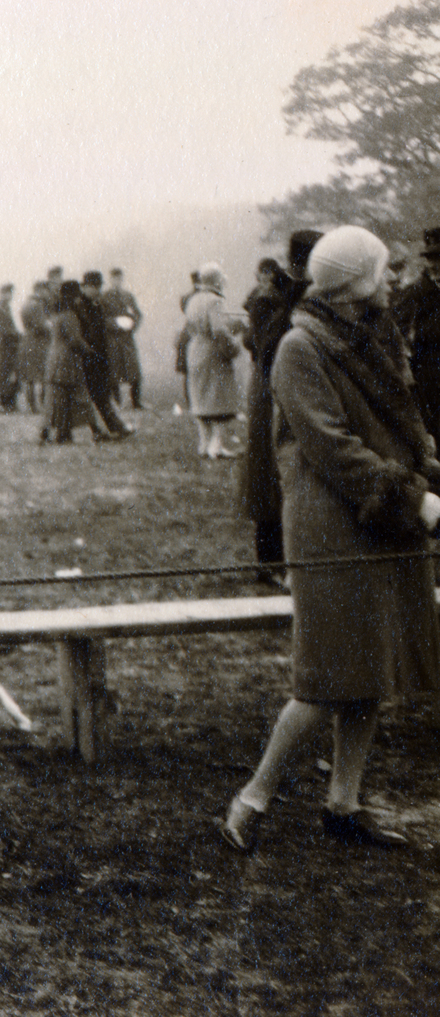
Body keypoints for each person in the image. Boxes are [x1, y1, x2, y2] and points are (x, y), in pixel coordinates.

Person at [221, 225, 439, 853]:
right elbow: (333, 449)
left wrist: (427, 478)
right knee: (324, 680)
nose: (391, 279)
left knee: (371, 673)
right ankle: (252, 800)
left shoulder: (372, 334)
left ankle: (342, 805)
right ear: (357, 281)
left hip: (380, 518)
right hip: (334, 526)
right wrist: (418, 501)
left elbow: (401, 437)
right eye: (380, 270)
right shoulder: (300, 346)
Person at [240, 233, 320, 587]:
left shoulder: (286, 296)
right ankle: (272, 563)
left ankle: (283, 561)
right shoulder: (273, 299)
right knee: (271, 477)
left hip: (280, 390)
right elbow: (265, 347)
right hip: (271, 393)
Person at [184, 263, 244, 459]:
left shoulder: (193, 300)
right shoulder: (215, 301)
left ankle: (204, 444)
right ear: (218, 280)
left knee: (201, 398)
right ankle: (216, 446)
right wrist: (232, 349)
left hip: (196, 349)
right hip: (213, 352)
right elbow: (218, 330)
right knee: (218, 398)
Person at [388, 225, 440, 443]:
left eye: (438, 257)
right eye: (430, 258)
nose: (434, 264)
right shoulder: (414, 296)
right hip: (431, 390)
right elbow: (395, 341)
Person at [39, 280, 96, 444]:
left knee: (58, 399)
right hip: (67, 361)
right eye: (78, 296)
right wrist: (90, 351)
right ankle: (93, 431)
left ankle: (59, 434)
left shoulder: (57, 313)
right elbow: (75, 341)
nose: (79, 299)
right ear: (73, 297)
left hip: (55, 361)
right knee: (77, 396)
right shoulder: (70, 315)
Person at [77, 271, 132, 438]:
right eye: (94, 287)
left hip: (99, 356)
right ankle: (102, 429)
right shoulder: (79, 305)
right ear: (85, 287)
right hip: (87, 356)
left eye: (99, 287)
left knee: (101, 394)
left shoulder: (96, 303)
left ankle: (113, 427)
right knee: (92, 395)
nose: (98, 291)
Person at [99, 267, 144, 409]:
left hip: (126, 338)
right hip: (112, 338)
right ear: (110, 280)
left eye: (119, 279)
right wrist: (115, 324)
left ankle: (136, 402)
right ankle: (117, 402)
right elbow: (100, 318)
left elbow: (138, 314)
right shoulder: (104, 297)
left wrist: (131, 325)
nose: (117, 282)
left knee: (134, 370)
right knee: (114, 371)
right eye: (114, 279)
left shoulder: (128, 296)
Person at [0, 283, 21, 412]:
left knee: (12, 374)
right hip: (3, 347)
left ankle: (11, 403)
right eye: (7, 293)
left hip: (11, 347)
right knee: (3, 375)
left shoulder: (8, 309)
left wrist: (16, 334)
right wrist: (16, 334)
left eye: (11, 293)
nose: (9, 296)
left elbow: (11, 328)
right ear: (1, 294)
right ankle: (3, 404)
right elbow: (2, 330)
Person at [17, 280, 50, 413]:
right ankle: (41, 405)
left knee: (30, 378)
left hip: (27, 341)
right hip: (38, 343)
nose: (47, 294)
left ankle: (32, 406)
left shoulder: (26, 304)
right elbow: (41, 326)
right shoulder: (38, 305)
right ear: (41, 290)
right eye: (46, 290)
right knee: (43, 376)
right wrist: (52, 327)